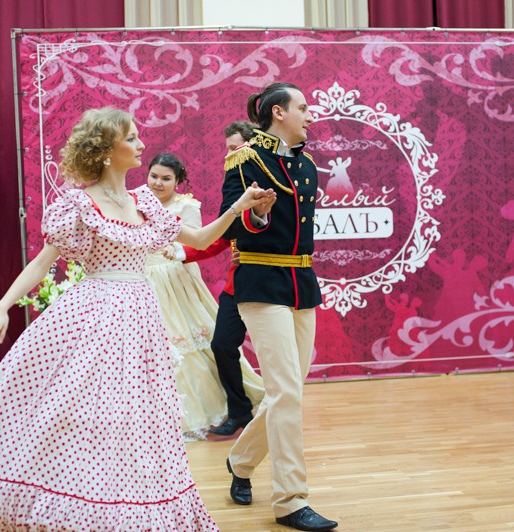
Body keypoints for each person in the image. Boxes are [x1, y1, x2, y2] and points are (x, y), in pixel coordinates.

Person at [0, 107, 274, 531]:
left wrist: (239, 207)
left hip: (140, 319)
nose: (141, 145)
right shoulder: (79, 204)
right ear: (107, 149)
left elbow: (202, 239)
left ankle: (120, 505)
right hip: (93, 317)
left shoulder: (145, 202)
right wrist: (1, 307)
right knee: (72, 412)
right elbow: (42, 263)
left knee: (134, 418)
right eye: (131, 138)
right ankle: (66, 503)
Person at [220, 82, 338, 532]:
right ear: (277, 113)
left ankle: (240, 461)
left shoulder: (306, 164)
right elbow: (230, 223)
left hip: (301, 283)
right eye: (302, 107)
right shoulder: (245, 159)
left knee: (288, 391)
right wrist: (257, 214)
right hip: (261, 281)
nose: (310, 115)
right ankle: (291, 500)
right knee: (286, 391)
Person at [141, 151, 265, 440]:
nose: (158, 183)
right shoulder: (139, 203)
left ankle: (208, 410)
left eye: (165, 178)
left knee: (191, 343)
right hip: (145, 280)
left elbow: (200, 242)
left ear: (177, 181)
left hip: (176, 278)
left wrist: (176, 250)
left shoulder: (186, 206)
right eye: (153, 176)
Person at [169, 120, 264, 437]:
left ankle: (275, 411)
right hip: (238, 284)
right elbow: (221, 237)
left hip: (271, 284)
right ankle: (240, 411)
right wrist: (182, 253)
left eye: (235, 148)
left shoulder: (269, 181)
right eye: (227, 149)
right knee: (222, 345)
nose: (229, 155)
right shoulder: (235, 189)